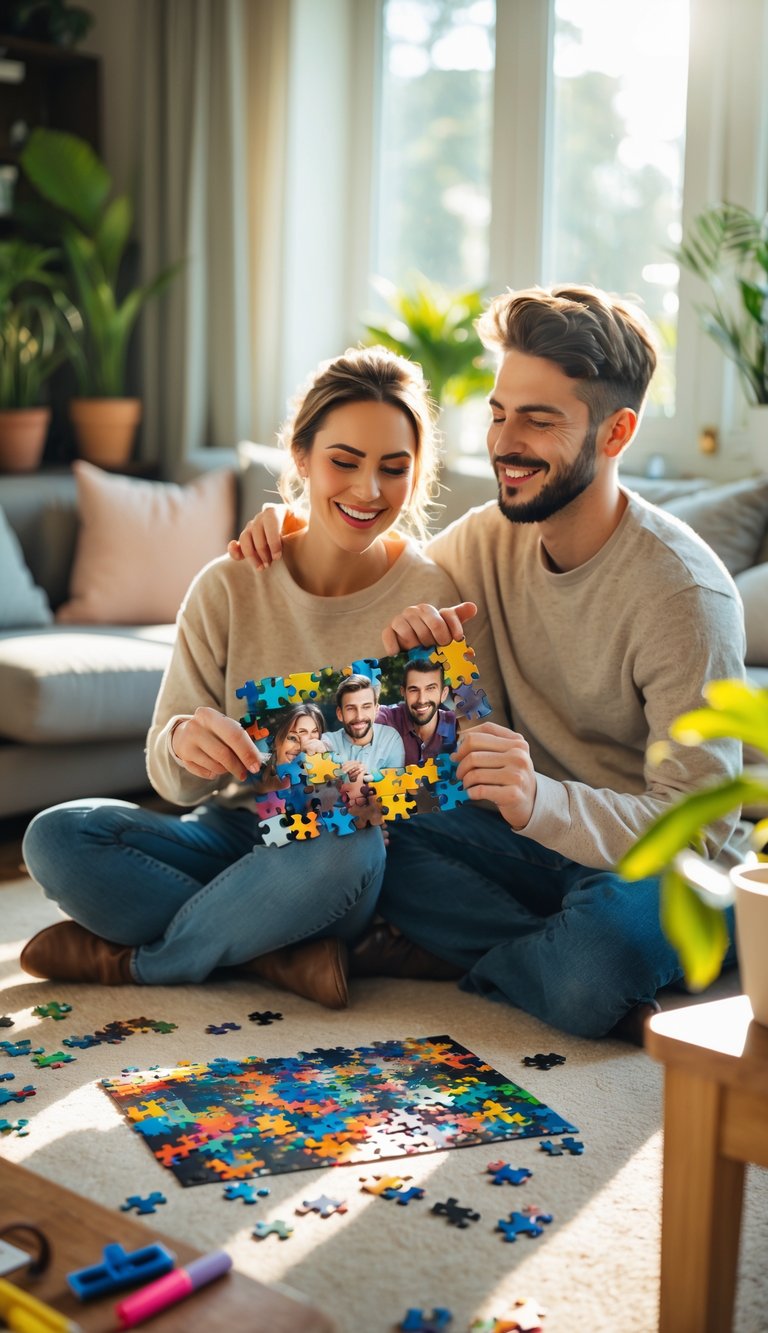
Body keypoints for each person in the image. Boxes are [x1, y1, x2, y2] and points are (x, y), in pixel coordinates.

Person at [229, 284, 751, 1042]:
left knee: (595, 963)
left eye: (539, 420)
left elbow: (696, 831)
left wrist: (542, 800)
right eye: (500, 413)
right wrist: (296, 525)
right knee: (356, 820)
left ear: (616, 433)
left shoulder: (683, 593)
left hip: (655, 871)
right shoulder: (485, 539)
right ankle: (527, 954)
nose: (505, 441)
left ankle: (470, 953)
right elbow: (370, 562)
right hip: (525, 845)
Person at [19, 345, 461, 1008]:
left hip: (339, 857)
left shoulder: (430, 591)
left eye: (394, 469)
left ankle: (152, 963)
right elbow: (172, 777)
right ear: (302, 457)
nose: (369, 490)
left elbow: (446, 780)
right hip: (229, 830)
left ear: (417, 476)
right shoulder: (228, 584)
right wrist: (180, 744)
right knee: (56, 836)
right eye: (344, 461)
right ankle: (276, 953)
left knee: (347, 843)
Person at [375, 658, 455, 765]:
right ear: (403, 692)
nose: (422, 700)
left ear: (443, 694)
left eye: (430, 688)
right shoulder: (388, 717)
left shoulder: (455, 724)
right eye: (413, 690)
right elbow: (366, 717)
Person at [320, 674, 406, 773]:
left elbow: (394, 783)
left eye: (366, 707)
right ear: (340, 714)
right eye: (351, 708)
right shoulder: (326, 742)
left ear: (376, 710)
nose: (359, 717)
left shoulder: (390, 738)